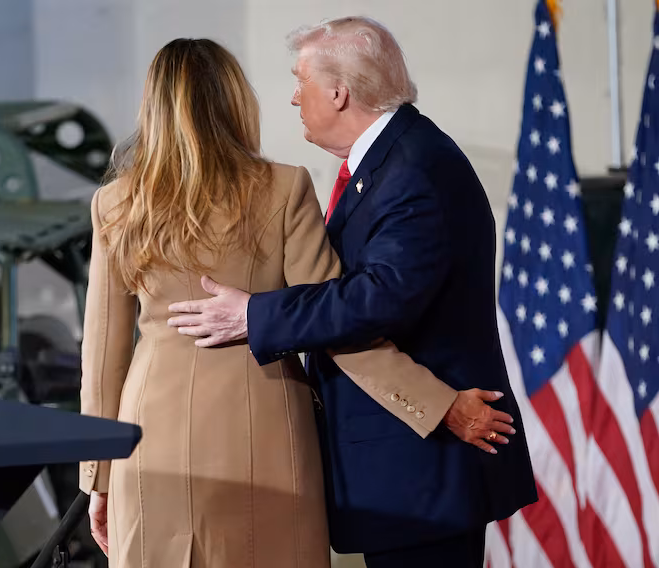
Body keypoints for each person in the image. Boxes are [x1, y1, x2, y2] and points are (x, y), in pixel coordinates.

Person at [167, 17, 539, 568]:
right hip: (407, 469)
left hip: (423, 471)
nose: (294, 98)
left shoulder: (413, 168)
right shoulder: (393, 160)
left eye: (301, 81)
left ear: (338, 92)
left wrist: (253, 315)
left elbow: (378, 298)